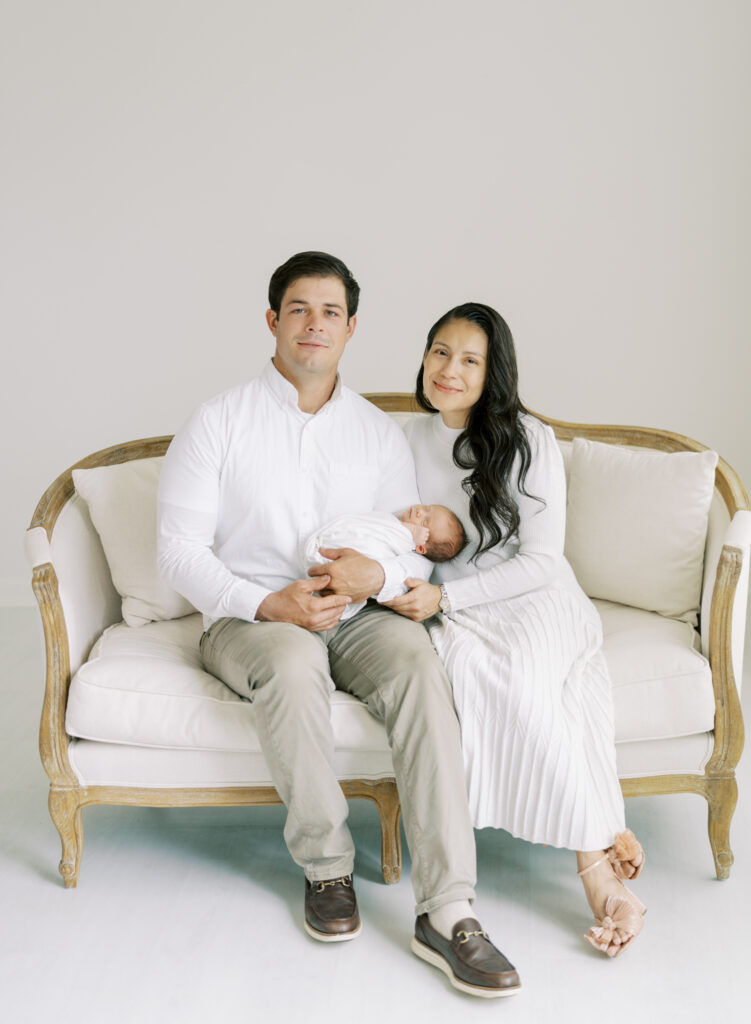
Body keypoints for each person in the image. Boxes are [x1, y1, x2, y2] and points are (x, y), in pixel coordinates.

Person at [156, 255, 521, 997]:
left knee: (420, 666)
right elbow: (176, 552)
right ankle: (327, 870)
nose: (314, 324)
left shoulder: (375, 434)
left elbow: (398, 546)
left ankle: (448, 909)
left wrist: (374, 580)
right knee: (291, 664)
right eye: (298, 309)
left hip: (357, 618)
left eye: (330, 312)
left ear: (350, 328)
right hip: (248, 614)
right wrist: (269, 604)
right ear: (272, 321)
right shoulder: (217, 420)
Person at [387, 302, 646, 959]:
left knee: (527, 680)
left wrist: (445, 597)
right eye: (438, 351)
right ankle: (605, 831)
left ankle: (597, 875)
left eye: (469, 359)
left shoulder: (525, 437)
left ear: (492, 372)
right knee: (470, 675)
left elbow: (539, 560)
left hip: (531, 594)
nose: (448, 369)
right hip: (456, 608)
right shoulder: (405, 439)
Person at [304, 503, 466, 619]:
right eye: (426, 508)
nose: (419, 512)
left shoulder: (402, 543)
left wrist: (406, 534)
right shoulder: (392, 520)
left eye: (424, 522)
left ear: (421, 548)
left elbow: (380, 545)